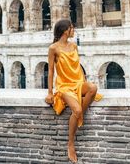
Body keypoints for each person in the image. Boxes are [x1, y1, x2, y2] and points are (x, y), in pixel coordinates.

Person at [45, 19, 103, 163]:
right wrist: (50, 92)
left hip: (78, 82)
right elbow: (51, 71)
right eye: (72, 28)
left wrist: (82, 82)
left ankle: (77, 118)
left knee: (93, 88)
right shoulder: (53, 48)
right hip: (64, 86)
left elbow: (77, 67)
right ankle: (71, 143)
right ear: (65, 30)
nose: (74, 30)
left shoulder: (74, 46)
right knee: (76, 110)